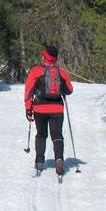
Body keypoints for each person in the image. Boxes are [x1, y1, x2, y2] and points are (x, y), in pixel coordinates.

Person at [24, 45, 73, 175]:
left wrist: (28, 108)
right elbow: (69, 90)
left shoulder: (36, 71)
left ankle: (39, 161)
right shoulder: (61, 72)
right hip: (57, 109)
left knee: (41, 134)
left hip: (40, 108)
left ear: (45, 56)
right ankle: (59, 159)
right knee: (57, 135)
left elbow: (28, 91)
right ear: (55, 58)